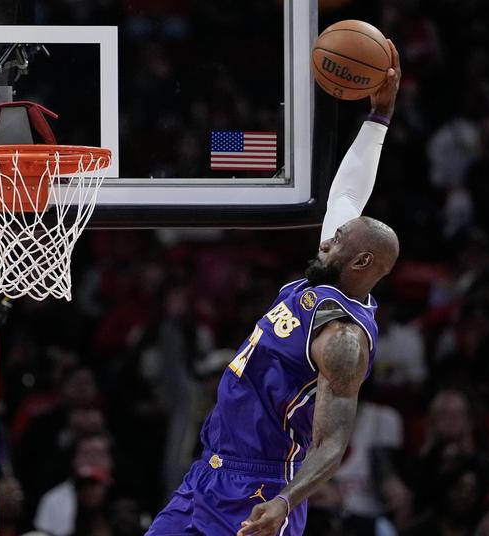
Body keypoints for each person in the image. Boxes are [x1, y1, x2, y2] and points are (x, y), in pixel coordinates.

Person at [145, 40, 402, 536]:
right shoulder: (326, 278)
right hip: (208, 473)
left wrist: (285, 502)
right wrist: (380, 116)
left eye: (337, 241)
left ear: (361, 262)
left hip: (260, 488)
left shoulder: (343, 340)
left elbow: (331, 444)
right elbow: (348, 191)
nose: (326, 239)